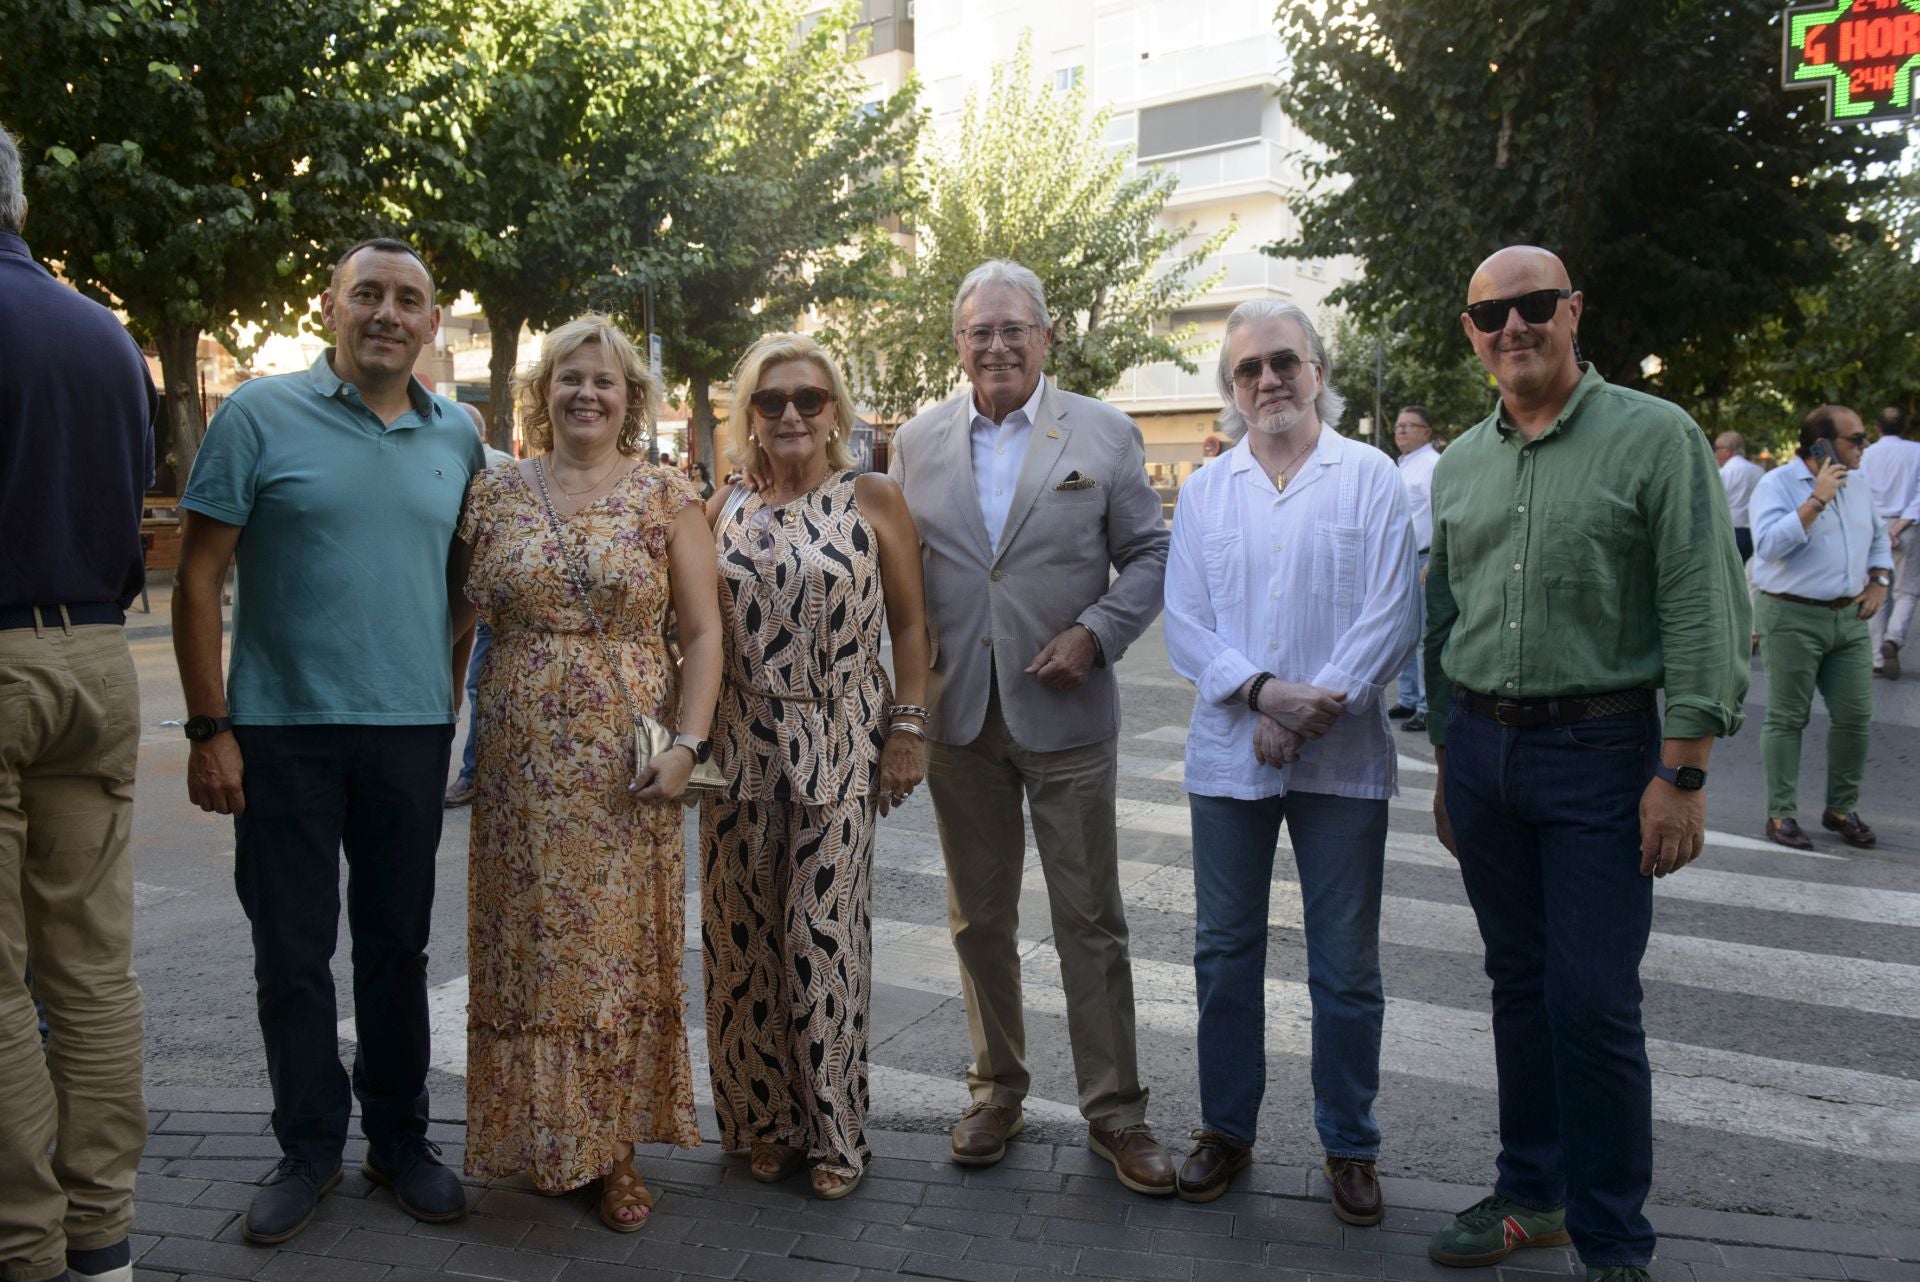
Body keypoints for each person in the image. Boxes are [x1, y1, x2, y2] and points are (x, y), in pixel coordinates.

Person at [1423, 247, 1749, 1282]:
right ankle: (1533, 1193)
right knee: (1518, 984)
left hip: (1604, 754)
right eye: (1491, 314)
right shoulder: (1460, 462)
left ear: (1572, 313)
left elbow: (1703, 601)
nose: (1513, 327)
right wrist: (1446, 760)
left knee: (1595, 1001)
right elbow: (1445, 619)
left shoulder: (1655, 437)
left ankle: (1613, 1239)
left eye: (1533, 306)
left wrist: (1683, 769)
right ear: (1470, 333)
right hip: (1481, 753)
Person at [173, 237, 482, 1244]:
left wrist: (436, 683)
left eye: (409, 298)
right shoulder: (260, 413)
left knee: (398, 946)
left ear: (433, 321)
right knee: (292, 951)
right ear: (331, 306)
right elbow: (198, 578)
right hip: (279, 734)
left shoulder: (461, 436)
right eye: (368, 295)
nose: (388, 312)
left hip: (407, 735)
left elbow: (462, 582)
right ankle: (309, 1147)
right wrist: (211, 728)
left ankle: (401, 1142)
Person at [889, 260, 1174, 1193]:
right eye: (980, 332)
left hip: (1068, 714)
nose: (998, 346)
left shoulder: (1103, 431)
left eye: (1015, 329)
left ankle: (1116, 1113)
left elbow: (1148, 555)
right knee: (979, 919)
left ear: (1046, 337)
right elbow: (902, 581)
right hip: (959, 717)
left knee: (1090, 919)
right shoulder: (918, 442)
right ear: (958, 343)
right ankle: (995, 1089)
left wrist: (1095, 634)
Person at [455, 316, 721, 1230]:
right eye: (571, 378)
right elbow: (460, 622)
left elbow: (701, 632)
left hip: (622, 766)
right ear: (544, 391)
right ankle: (542, 1134)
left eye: (605, 382)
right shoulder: (493, 496)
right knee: (528, 950)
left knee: (609, 956)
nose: (587, 395)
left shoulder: (664, 493)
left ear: (630, 399)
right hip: (518, 768)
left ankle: (611, 1151)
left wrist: (687, 743)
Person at [1163, 301, 1417, 1216]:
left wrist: (1310, 707)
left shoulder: (1372, 477)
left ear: (1316, 369)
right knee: (1223, 954)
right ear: (1231, 390)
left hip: (1341, 761)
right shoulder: (1207, 491)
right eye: (1248, 370)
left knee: (1345, 964)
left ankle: (1350, 1144)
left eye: (1284, 362)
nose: (1267, 381)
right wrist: (1265, 692)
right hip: (1231, 756)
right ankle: (1226, 1131)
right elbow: (1186, 624)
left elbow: (1393, 614)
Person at [701, 333, 930, 1200]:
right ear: (749, 415)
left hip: (837, 741)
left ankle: (837, 1133)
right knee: (741, 941)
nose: (791, 413)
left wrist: (907, 728)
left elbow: (911, 626)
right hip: (737, 747)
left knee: (820, 940)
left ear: (836, 408)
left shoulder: (871, 497)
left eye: (809, 397)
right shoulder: (722, 504)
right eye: (771, 400)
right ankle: (767, 1121)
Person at [0, 122, 155, 1282]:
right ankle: (101, 1236)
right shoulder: (100, 331)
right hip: (95, 657)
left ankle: (25, 1246)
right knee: (90, 963)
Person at [1749, 406, 1890, 850]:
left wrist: (1880, 579)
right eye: (1857, 439)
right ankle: (1780, 813)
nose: (1866, 446)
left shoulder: (1859, 485)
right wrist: (1817, 500)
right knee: (1788, 717)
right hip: (1791, 616)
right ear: (1821, 446)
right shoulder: (1777, 484)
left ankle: (1840, 808)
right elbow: (1769, 547)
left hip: (1848, 619)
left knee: (1855, 717)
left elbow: (1880, 536)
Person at [444, 404, 513, 808]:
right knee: (478, 682)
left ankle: (473, 772)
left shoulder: (494, 471)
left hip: (492, 602)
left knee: (477, 683)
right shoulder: (507, 470)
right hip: (490, 596)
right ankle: (475, 771)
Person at [1388, 405, 1440, 732]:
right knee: (1404, 633)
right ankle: (1407, 698)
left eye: (1410, 425)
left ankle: (1425, 705)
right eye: (1399, 425)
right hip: (1401, 560)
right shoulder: (1401, 467)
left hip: (1424, 559)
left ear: (1427, 432)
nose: (1402, 430)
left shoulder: (1433, 466)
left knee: (1423, 637)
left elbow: (1441, 514)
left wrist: (1436, 557)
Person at [1859, 406, 1920, 678]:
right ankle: (1893, 639)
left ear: (1877, 427)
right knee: (1907, 591)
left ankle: (1876, 658)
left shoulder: (1865, 454)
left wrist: (1880, 528)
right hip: (1906, 527)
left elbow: (1858, 491)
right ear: (1905, 427)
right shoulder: (1916, 451)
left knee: (1876, 588)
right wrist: (1899, 526)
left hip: (1873, 525)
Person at [1714, 431, 1766, 565]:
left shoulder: (1723, 474)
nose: (1716, 454)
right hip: (1755, 531)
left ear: (1729, 451)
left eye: (1718, 449)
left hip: (1730, 532)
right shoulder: (1759, 472)